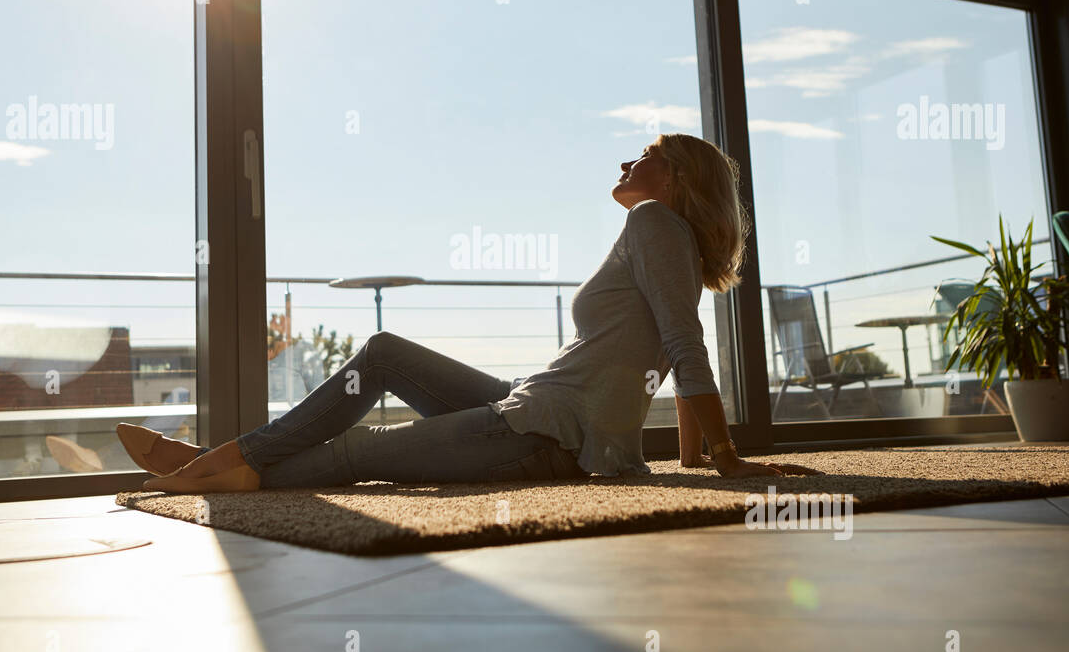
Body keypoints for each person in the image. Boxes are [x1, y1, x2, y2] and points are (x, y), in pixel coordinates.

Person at [117, 133, 800, 493]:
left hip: (543, 440)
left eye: (647, 156)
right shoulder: (666, 242)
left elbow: (683, 347)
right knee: (383, 351)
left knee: (359, 454)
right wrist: (697, 458)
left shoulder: (654, 223)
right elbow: (680, 344)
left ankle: (226, 470)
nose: (628, 161)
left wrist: (727, 456)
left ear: (674, 179)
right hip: (534, 409)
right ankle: (228, 463)